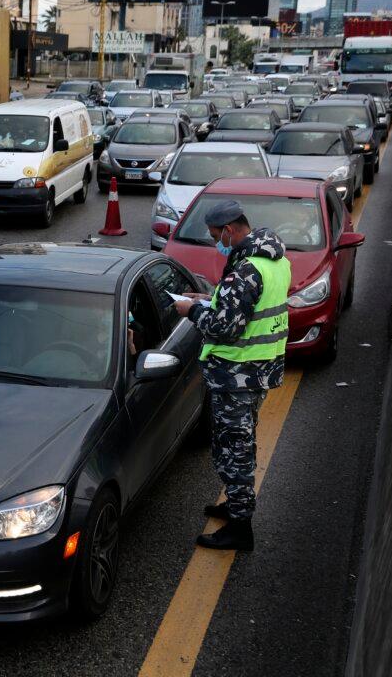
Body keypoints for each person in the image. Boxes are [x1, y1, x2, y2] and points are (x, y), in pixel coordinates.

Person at [174, 200, 290, 552]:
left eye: (215, 236)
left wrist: (191, 309)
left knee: (234, 450)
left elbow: (224, 329)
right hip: (259, 370)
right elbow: (248, 309)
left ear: (230, 229)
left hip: (236, 376)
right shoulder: (275, 261)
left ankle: (240, 528)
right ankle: (236, 506)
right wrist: (211, 298)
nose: (215, 242)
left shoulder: (245, 271)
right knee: (242, 442)